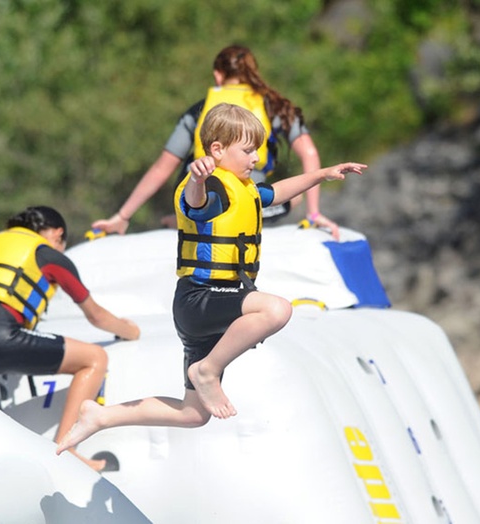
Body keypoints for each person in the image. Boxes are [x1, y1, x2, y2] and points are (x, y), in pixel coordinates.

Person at [56, 103, 365, 454]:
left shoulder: (245, 189)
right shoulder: (212, 188)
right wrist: (198, 178)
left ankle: (100, 417)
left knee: (193, 414)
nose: (256, 159)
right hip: (201, 299)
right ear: (217, 150)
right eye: (248, 151)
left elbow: (278, 192)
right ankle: (207, 370)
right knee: (276, 310)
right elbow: (196, 201)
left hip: (213, 306)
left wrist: (321, 174)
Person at [0, 206, 140, 471]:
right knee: (95, 358)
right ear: (58, 234)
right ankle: (68, 448)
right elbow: (96, 316)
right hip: (1, 342)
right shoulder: (50, 256)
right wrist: (130, 330)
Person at [92, 44, 346, 239]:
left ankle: (184, 216)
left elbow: (163, 166)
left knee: (195, 187)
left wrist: (123, 216)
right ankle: (193, 215)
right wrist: (313, 213)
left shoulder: (199, 110)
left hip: (201, 196)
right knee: (292, 196)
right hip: (244, 201)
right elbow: (309, 153)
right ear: (254, 73)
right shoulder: (275, 107)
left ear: (218, 75)